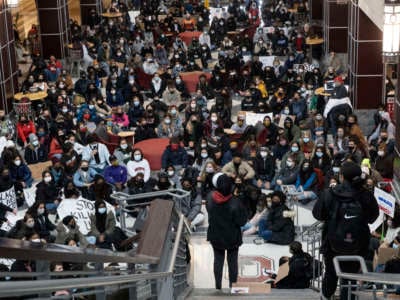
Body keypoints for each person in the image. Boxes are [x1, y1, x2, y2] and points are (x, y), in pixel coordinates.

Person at [312, 161, 379, 300]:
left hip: (332, 244)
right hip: (358, 244)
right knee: (350, 278)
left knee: (331, 274)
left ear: (341, 176)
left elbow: (318, 214)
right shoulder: (366, 195)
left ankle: (325, 297)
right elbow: (373, 217)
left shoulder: (329, 193)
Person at [206, 173, 247, 290]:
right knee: (232, 263)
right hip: (232, 237)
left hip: (215, 235)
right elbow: (242, 222)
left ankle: (218, 287)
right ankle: (233, 287)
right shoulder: (236, 202)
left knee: (218, 261)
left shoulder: (210, 198)